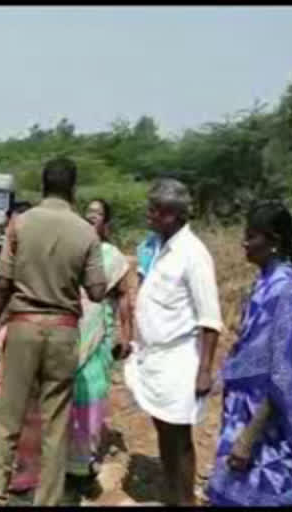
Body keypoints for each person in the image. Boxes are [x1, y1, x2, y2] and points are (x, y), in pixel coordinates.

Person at [0, 156, 107, 506]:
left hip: (23, 327)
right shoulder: (85, 231)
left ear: (43, 185)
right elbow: (97, 291)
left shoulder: (20, 224)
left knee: (10, 417)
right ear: (73, 188)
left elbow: (2, 283)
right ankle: (48, 501)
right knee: (56, 424)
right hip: (64, 331)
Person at [205, 200, 292, 507]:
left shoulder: (287, 291)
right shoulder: (264, 283)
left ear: (274, 242)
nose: (244, 242)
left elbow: (285, 374)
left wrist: (247, 438)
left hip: (265, 422)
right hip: (243, 410)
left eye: (252, 236)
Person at [123, 178, 223, 506]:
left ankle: (184, 500)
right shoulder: (159, 248)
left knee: (179, 438)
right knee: (164, 433)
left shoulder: (193, 254)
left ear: (173, 215)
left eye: (156, 211)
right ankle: (172, 496)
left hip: (180, 361)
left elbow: (210, 319)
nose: (149, 215)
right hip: (156, 360)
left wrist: (205, 370)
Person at [66, 199, 134, 481]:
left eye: (98, 213)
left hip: (97, 337)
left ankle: (82, 463)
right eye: (88, 212)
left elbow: (124, 299)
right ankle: (60, 458)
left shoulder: (113, 256)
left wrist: (126, 336)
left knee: (90, 395)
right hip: (68, 331)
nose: (91, 216)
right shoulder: (72, 248)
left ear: (106, 222)